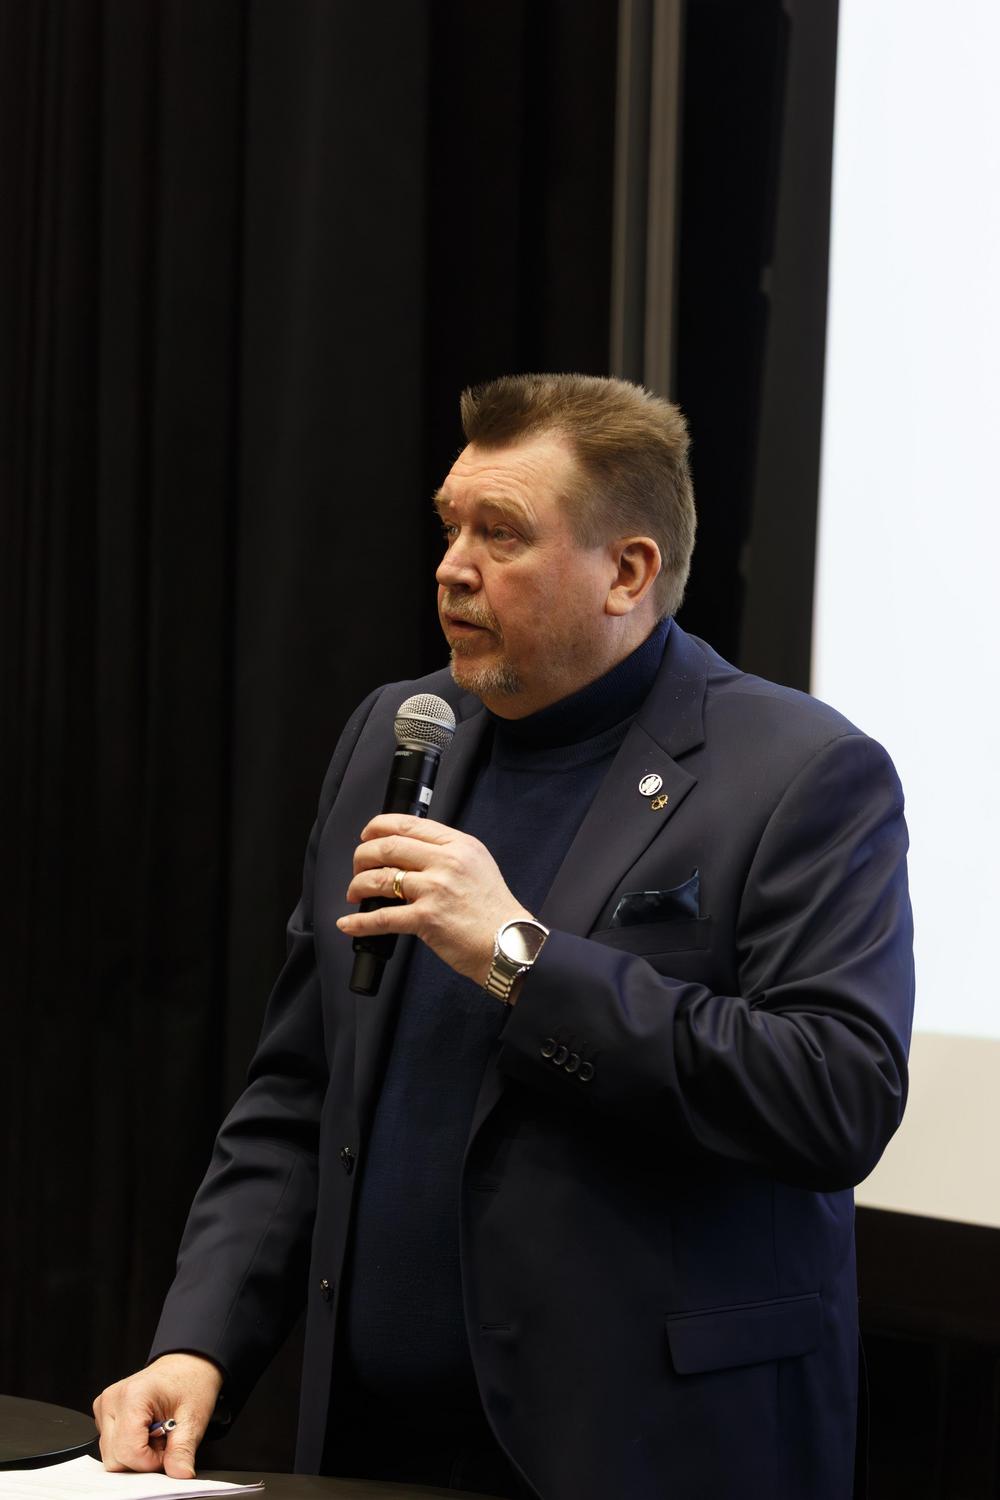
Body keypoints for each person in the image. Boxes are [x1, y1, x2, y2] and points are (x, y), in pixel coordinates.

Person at [93, 374, 913, 1499]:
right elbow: (303, 1090)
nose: (451, 566)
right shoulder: (396, 734)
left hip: (647, 1453)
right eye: (450, 526)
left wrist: (519, 956)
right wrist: (202, 1339)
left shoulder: (800, 772)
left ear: (627, 572)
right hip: (375, 1449)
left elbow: (834, 1096)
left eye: (502, 533)